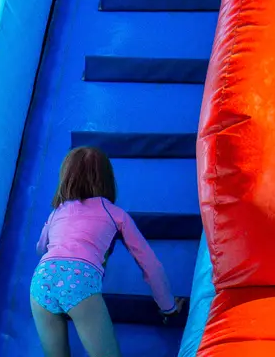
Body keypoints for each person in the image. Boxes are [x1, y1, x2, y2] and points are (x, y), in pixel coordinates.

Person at [30, 146, 184, 357]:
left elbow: (41, 248)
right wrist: (168, 307)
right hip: (78, 283)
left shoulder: (57, 212)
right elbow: (150, 264)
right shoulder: (115, 214)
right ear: (107, 180)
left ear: (65, 178)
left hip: (41, 281)